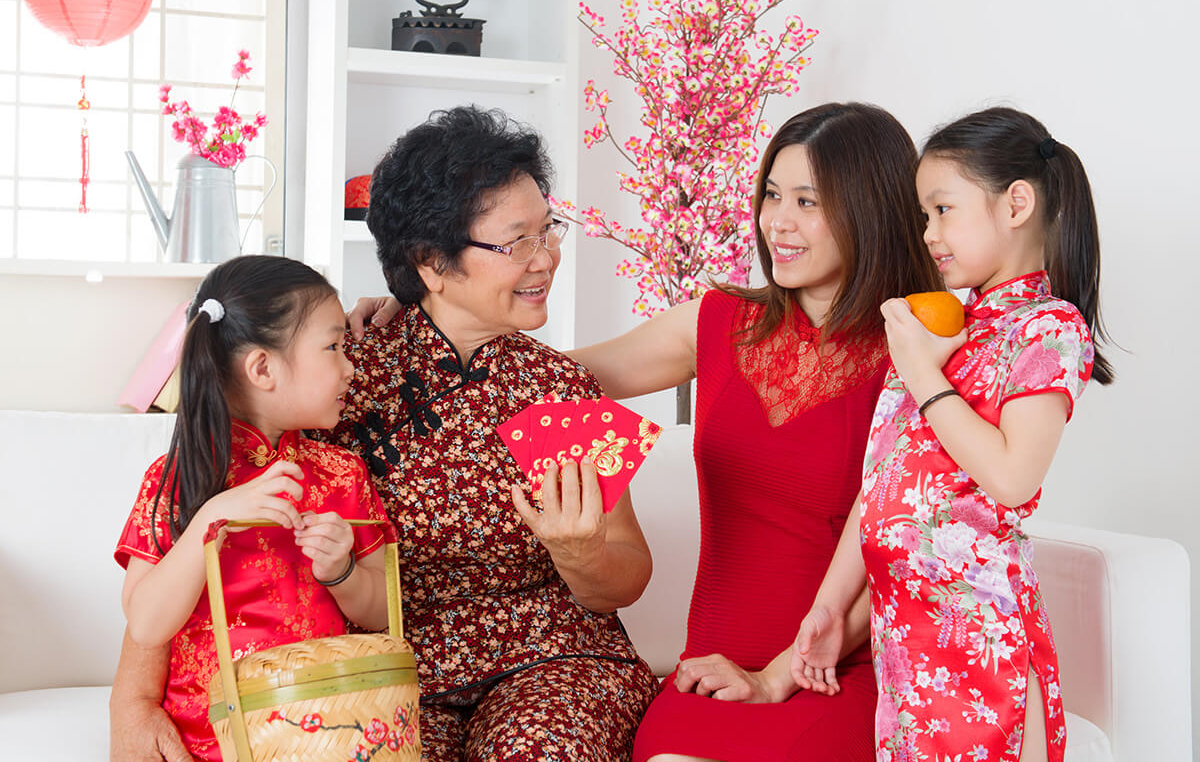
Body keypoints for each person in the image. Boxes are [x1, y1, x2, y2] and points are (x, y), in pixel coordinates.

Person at [347, 101, 943, 760]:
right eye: (773, 193)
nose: (779, 220)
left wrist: (778, 674)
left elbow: (907, 543)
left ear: (871, 209)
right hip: (709, 667)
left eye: (808, 201)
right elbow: (523, 374)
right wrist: (420, 306)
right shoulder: (717, 321)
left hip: (834, 660)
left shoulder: (916, 350)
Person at [109, 106, 658, 762]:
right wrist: (133, 702)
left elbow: (625, 577)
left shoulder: (558, 389)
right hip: (380, 672)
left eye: (550, 230)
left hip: (550, 661)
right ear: (431, 261)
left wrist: (581, 551)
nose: (549, 257)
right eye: (518, 241)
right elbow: (198, 500)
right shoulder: (339, 375)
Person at [790, 107, 1112, 762]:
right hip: (904, 637)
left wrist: (920, 374)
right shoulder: (938, 325)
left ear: (1016, 202)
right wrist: (829, 604)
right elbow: (883, 480)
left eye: (943, 210)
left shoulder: (1046, 329)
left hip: (978, 639)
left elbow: (1013, 477)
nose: (929, 234)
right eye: (923, 216)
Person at [113, 255, 392, 762]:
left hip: (326, 734)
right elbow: (147, 624)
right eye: (333, 347)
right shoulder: (176, 478)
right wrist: (210, 518)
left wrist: (343, 571)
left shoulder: (342, 473)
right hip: (207, 743)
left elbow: (383, 610)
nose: (351, 366)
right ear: (262, 368)